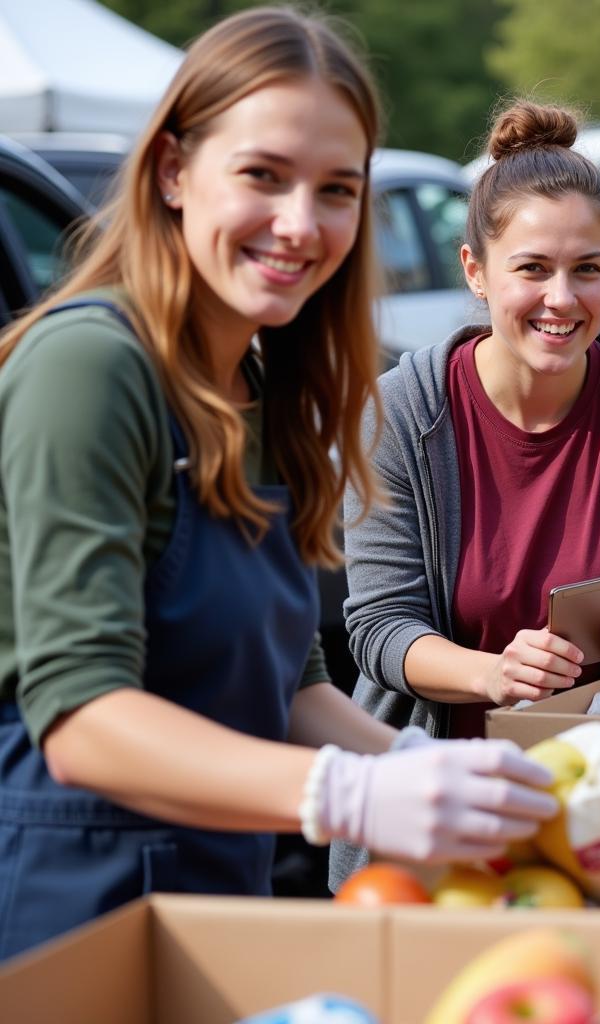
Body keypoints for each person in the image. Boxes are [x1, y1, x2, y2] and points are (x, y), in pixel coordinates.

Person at [0, 8, 558, 961]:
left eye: (337, 190)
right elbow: (82, 717)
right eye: (262, 175)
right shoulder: (90, 368)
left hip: (213, 915)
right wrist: (349, 796)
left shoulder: (264, 390)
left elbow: (291, 681)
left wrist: (425, 765)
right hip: (70, 925)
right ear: (174, 170)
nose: (301, 225)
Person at [334, 100, 600, 885]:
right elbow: (377, 627)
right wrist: (489, 671)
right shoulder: (401, 413)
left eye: (588, 270)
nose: (561, 300)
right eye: (531, 269)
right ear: (476, 271)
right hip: (439, 817)